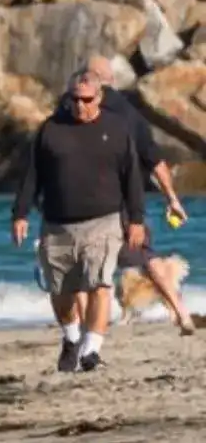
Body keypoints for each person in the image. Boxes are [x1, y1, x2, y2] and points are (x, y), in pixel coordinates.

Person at [11, 71, 148, 372]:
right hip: (57, 223)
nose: (80, 105)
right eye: (74, 99)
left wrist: (136, 219)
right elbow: (31, 177)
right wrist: (20, 214)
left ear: (98, 97)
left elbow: (132, 177)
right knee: (61, 292)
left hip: (105, 220)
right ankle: (72, 339)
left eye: (86, 100)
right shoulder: (50, 129)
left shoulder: (116, 128)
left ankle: (92, 351)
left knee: (100, 283)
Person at [84, 55, 193, 334]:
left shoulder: (85, 109)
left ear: (94, 79)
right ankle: (181, 312)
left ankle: (89, 322)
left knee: (87, 258)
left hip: (98, 198)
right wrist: (172, 198)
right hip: (130, 199)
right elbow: (156, 161)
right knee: (147, 257)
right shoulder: (133, 115)